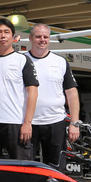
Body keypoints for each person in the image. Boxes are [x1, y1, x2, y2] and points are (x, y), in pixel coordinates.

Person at [26, 23, 80, 166]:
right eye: (38, 36)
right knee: (26, 165)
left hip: (55, 121)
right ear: (30, 38)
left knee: (56, 165)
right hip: (27, 123)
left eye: (45, 37)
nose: (42, 39)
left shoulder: (60, 62)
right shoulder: (22, 60)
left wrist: (75, 123)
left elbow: (72, 92)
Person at [0, 17, 38, 160]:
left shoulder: (22, 60)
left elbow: (33, 92)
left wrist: (27, 123)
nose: (3, 36)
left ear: (13, 36)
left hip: (16, 124)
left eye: (6, 32)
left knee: (22, 170)